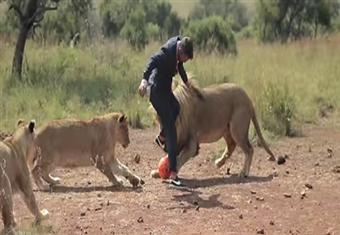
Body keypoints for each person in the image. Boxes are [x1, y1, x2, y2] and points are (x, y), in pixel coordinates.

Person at [138, 36, 193, 187]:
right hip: (156, 91)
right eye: (185, 57)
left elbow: (180, 66)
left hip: (165, 89)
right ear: (180, 50)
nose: (185, 61)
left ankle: (161, 137)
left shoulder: (178, 51)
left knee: (176, 108)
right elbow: (152, 61)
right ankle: (173, 174)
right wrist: (143, 81)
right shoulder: (166, 53)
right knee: (171, 128)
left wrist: (187, 83)